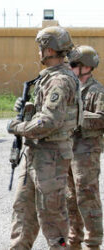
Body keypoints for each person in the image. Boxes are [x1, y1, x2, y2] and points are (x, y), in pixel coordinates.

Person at [7, 26, 82, 249]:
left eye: (41, 47)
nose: (38, 52)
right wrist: (28, 108)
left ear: (48, 50)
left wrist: (18, 127)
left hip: (50, 157)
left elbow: (49, 122)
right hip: (36, 154)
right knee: (23, 214)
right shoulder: (48, 78)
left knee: (53, 220)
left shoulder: (59, 80)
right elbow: (46, 114)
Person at [66, 45, 103, 250]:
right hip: (69, 148)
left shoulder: (97, 91)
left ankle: (93, 243)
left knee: (87, 196)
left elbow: (101, 119)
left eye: (73, 65)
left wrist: (76, 116)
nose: (70, 68)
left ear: (86, 67)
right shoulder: (71, 88)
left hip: (87, 150)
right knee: (70, 197)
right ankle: (74, 241)